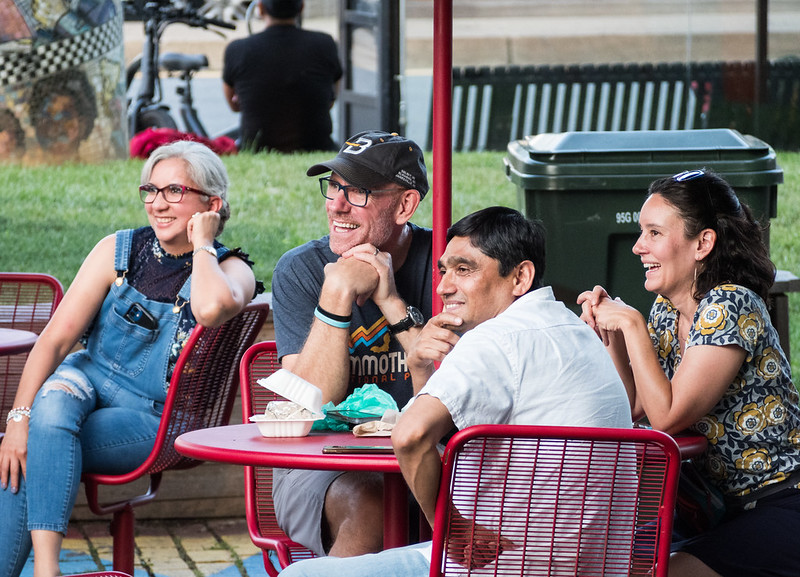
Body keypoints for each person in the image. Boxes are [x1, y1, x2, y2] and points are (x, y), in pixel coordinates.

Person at [277, 206, 633, 577]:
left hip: (503, 565)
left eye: (465, 270)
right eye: (444, 270)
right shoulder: (575, 330)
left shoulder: (495, 340)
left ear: (520, 277)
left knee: (300, 575)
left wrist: (450, 531)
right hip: (599, 565)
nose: (444, 286)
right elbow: (443, 435)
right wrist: (418, 367)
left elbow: (411, 435)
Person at [0, 140, 260, 577]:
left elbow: (211, 309)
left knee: (41, 445)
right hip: (85, 383)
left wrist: (203, 244)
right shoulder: (118, 251)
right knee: (43, 418)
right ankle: (48, 570)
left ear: (212, 204)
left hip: (155, 419)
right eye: (151, 191)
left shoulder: (232, 269)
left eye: (174, 191)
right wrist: (16, 420)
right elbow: (56, 341)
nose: (158, 204)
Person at [577, 169, 800, 577]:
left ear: (703, 243)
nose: (638, 246)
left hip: (779, 502)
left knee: (667, 572)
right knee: (609, 561)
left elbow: (668, 416)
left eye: (654, 233)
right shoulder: (668, 309)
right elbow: (638, 406)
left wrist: (631, 326)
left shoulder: (729, 305)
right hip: (714, 506)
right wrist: (611, 336)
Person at [271, 129, 432, 557]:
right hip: (320, 462)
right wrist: (337, 293)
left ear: (405, 205)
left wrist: (391, 300)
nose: (336, 205)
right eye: (334, 187)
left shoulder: (449, 266)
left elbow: (451, 387)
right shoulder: (302, 269)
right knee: (369, 500)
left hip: (429, 455)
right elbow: (310, 401)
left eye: (358, 191)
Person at [222, 0, 342, 152]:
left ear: (260, 8)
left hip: (256, 148)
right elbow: (330, 99)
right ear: (302, 8)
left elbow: (233, 105)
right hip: (318, 146)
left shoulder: (237, 49)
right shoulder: (325, 44)